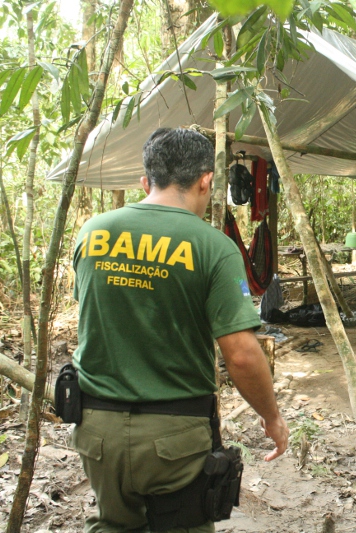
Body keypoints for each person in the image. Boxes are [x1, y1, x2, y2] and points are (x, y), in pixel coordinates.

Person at [71, 128, 289, 532]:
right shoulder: (213, 247)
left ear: (146, 180)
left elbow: (96, 315)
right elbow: (240, 354)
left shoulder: (92, 233)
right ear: (206, 181)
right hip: (173, 436)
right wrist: (271, 416)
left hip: (97, 429)